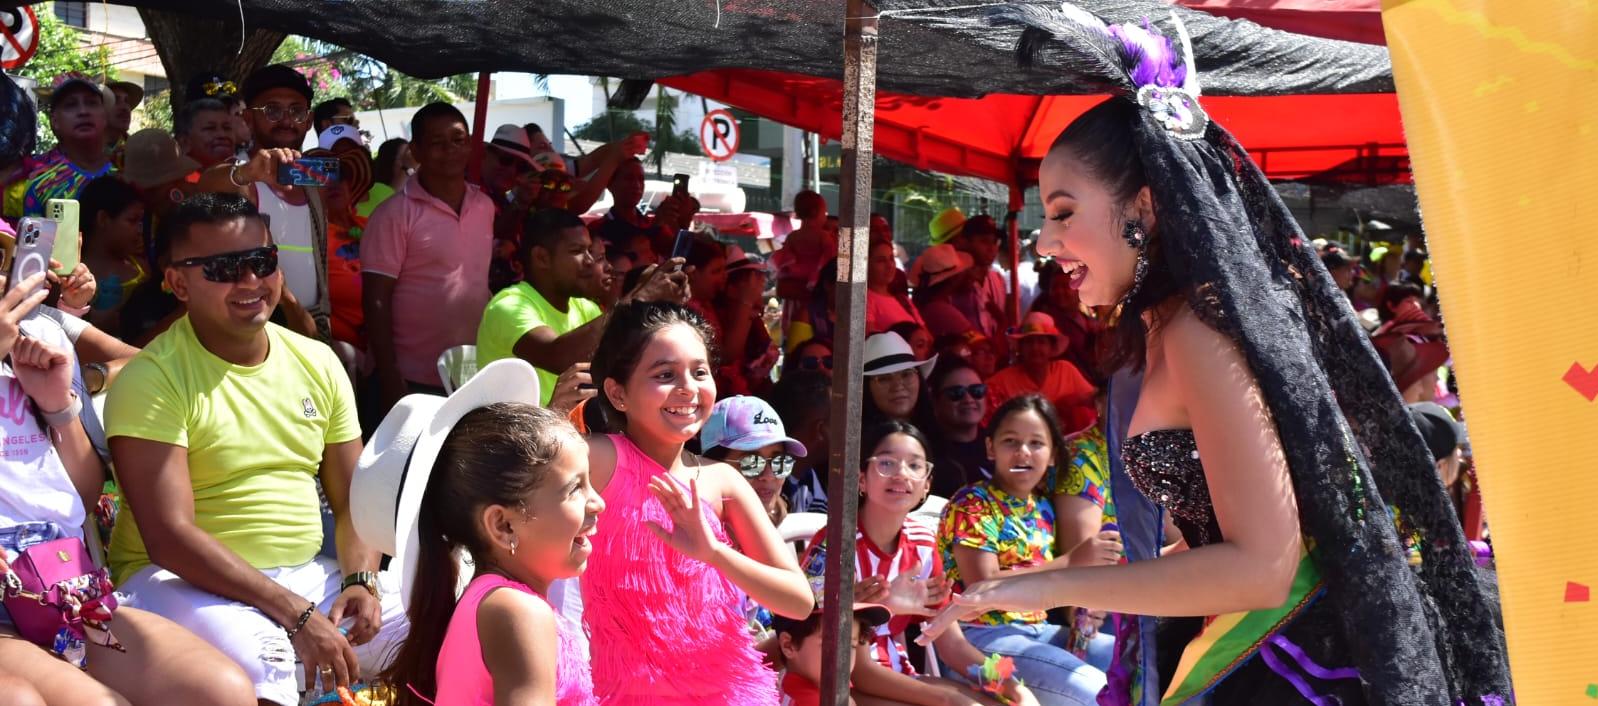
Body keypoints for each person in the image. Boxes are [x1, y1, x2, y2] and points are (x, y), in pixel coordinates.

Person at [921, 11, 1511, 704]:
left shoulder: (1200, 333)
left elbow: (1264, 566)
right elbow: (1221, 541)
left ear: (1143, 207)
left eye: (1063, 212)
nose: (1046, 242)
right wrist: (1017, 586)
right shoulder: (1169, 327)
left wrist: (1044, 583)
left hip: (1285, 665)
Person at [105, 194, 408, 705]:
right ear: (178, 283)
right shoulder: (151, 379)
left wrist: (361, 580)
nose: (249, 281)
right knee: (263, 666)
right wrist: (294, 612)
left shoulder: (318, 362)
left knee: (439, 621)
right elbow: (169, 539)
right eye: (224, 268)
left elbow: (356, 498)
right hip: (177, 582)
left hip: (306, 577)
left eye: (262, 262)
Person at [0, 271, 256, 706]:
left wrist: (57, 406)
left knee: (220, 691)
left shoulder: (38, 336)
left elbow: (79, 498)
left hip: (60, 582)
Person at [582, 301, 814, 705]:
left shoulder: (722, 479)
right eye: (665, 374)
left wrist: (714, 553)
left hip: (726, 691)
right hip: (626, 693)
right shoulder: (597, 458)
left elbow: (797, 600)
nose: (688, 388)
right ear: (618, 393)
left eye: (700, 371)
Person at [363, 363, 600, 706]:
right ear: (503, 526)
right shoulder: (517, 611)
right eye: (574, 489)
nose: (599, 502)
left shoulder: (498, 602)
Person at [936, 395, 1110, 706]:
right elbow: (982, 586)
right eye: (1010, 441)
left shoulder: (1041, 505)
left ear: (1054, 454)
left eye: (1036, 443)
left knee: (1138, 663)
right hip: (980, 643)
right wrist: (1069, 561)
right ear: (990, 448)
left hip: (1038, 632)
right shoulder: (973, 503)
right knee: (1093, 688)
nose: (1023, 453)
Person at [476, 207, 687, 405]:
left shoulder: (584, 307)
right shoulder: (508, 305)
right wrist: (641, 297)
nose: (589, 261)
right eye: (577, 251)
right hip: (516, 438)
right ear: (541, 258)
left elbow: (624, 356)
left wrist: (663, 303)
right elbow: (557, 357)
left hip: (569, 432)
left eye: (589, 251)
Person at [363, 102, 495, 406]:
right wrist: (390, 374)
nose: (450, 150)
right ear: (416, 151)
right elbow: (376, 299)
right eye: (437, 143)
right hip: (410, 377)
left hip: (469, 372)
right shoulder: (393, 214)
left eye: (458, 140)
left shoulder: (484, 207)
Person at [194, 64, 332, 340]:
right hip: (255, 330)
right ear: (247, 118)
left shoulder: (313, 182)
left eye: (296, 111)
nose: (286, 120)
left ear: (308, 119)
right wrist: (246, 173)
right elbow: (206, 184)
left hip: (311, 326)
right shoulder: (240, 175)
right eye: (272, 110)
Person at [699, 395, 808, 529]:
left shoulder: (786, 530)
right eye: (752, 463)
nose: (769, 476)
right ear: (710, 465)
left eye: (779, 462)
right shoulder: (688, 534)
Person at [983, 312, 1095, 426]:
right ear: (1020, 348)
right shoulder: (1002, 380)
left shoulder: (1066, 370)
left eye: (1041, 342)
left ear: (1052, 348)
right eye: (1029, 342)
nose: (1035, 348)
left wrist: (1076, 399)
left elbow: (1096, 397)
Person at [24, 75, 114, 217]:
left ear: (105, 116)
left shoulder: (127, 173)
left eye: (91, 103)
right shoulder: (40, 183)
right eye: (70, 105)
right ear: (54, 121)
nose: (83, 112)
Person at [774, 604, 891, 706]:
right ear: (788, 645)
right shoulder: (813, 701)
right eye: (830, 644)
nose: (844, 656)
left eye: (850, 645)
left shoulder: (826, 693)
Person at [77, 175, 149, 339]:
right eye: (132, 220)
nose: (140, 230)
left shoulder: (142, 270)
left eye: (141, 222)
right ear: (103, 219)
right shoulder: (71, 273)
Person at [767, 370, 832, 514]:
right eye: (839, 420)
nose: (847, 429)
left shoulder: (808, 477)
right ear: (819, 429)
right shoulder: (765, 485)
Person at [924, 357, 988, 498]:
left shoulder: (1000, 443)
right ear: (935, 402)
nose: (969, 399)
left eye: (976, 390)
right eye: (956, 393)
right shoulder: (926, 457)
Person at [1030, 262, 1103, 384]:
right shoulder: (1047, 321)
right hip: (1062, 384)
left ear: (1079, 291)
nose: (1059, 291)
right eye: (1055, 287)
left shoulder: (1087, 319)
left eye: (1065, 286)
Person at [952, 215, 1010, 345]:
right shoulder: (953, 280)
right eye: (984, 241)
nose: (991, 248)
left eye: (994, 241)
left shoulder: (998, 279)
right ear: (966, 242)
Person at [862, 331, 936, 429]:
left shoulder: (940, 433)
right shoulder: (855, 442)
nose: (897, 386)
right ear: (867, 388)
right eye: (884, 379)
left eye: (906, 374)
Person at [772, 191, 835, 305]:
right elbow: (830, 261)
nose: (825, 216)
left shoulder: (792, 236)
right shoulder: (824, 237)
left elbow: (783, 263)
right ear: (815, 212)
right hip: (816, 289)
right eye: (824, 212)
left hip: (794, 289)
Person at [910, 245, 980, 341]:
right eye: (963, 272)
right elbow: (982, 344)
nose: (970, 276)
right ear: (954, 278)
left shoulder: (934, 305)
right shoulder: (940, 310)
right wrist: (1002, 322)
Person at [867, 238, 923, 333]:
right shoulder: (864, 300)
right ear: (866, 265)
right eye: (881, 261)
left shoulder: (903, 300)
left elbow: (926, 336)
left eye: (891, 259)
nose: (889, 265)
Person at [175, 98, 239, 169]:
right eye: (210, 128)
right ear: (185, 142)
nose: (222, 135)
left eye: (227, 128)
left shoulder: (247, 175)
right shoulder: (177, 179)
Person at [367, 138, 413, 217]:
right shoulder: (376, 189)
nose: (410, 160)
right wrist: (407, 168)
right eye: (404, 158)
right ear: (389, 163)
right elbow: (392, 200)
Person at [105, 79, 143, 153]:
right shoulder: (78, 151)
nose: (125, 108)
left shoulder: (139, 152)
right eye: (115, 100)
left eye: (127, 101)